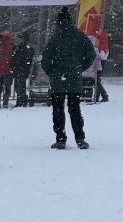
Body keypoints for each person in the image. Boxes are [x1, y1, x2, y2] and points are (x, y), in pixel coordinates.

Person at [40, 7, 94, 150]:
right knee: (75, 109)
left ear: (59, 22)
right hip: (74, 79)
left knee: (58, 109)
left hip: (58, 80)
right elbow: (91, 55)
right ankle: (80, 138)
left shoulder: (55, 38)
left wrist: (52, 72)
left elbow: (45, 60)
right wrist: (79, 67)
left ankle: (60, 138)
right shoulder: (80, 36)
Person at [12, 31, 35, 107]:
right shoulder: (18, 47)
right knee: (17, 87)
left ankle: (22, 101)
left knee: (21, 87)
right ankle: (20, 100)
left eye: (21, 38)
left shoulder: (27, 48)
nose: (19, 40)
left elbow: (27, 60)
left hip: (22, 70)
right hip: (17, 69)